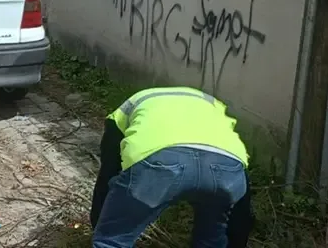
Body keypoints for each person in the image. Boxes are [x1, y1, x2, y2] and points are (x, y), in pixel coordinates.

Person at [90, 86, 256, 248]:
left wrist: (101, 226)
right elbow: (241, 207)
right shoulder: (213, 105)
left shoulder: (130, 106)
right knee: (211, 239)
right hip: (226, 166)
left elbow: (108, 172)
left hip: (159, 162)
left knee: (113, 241)